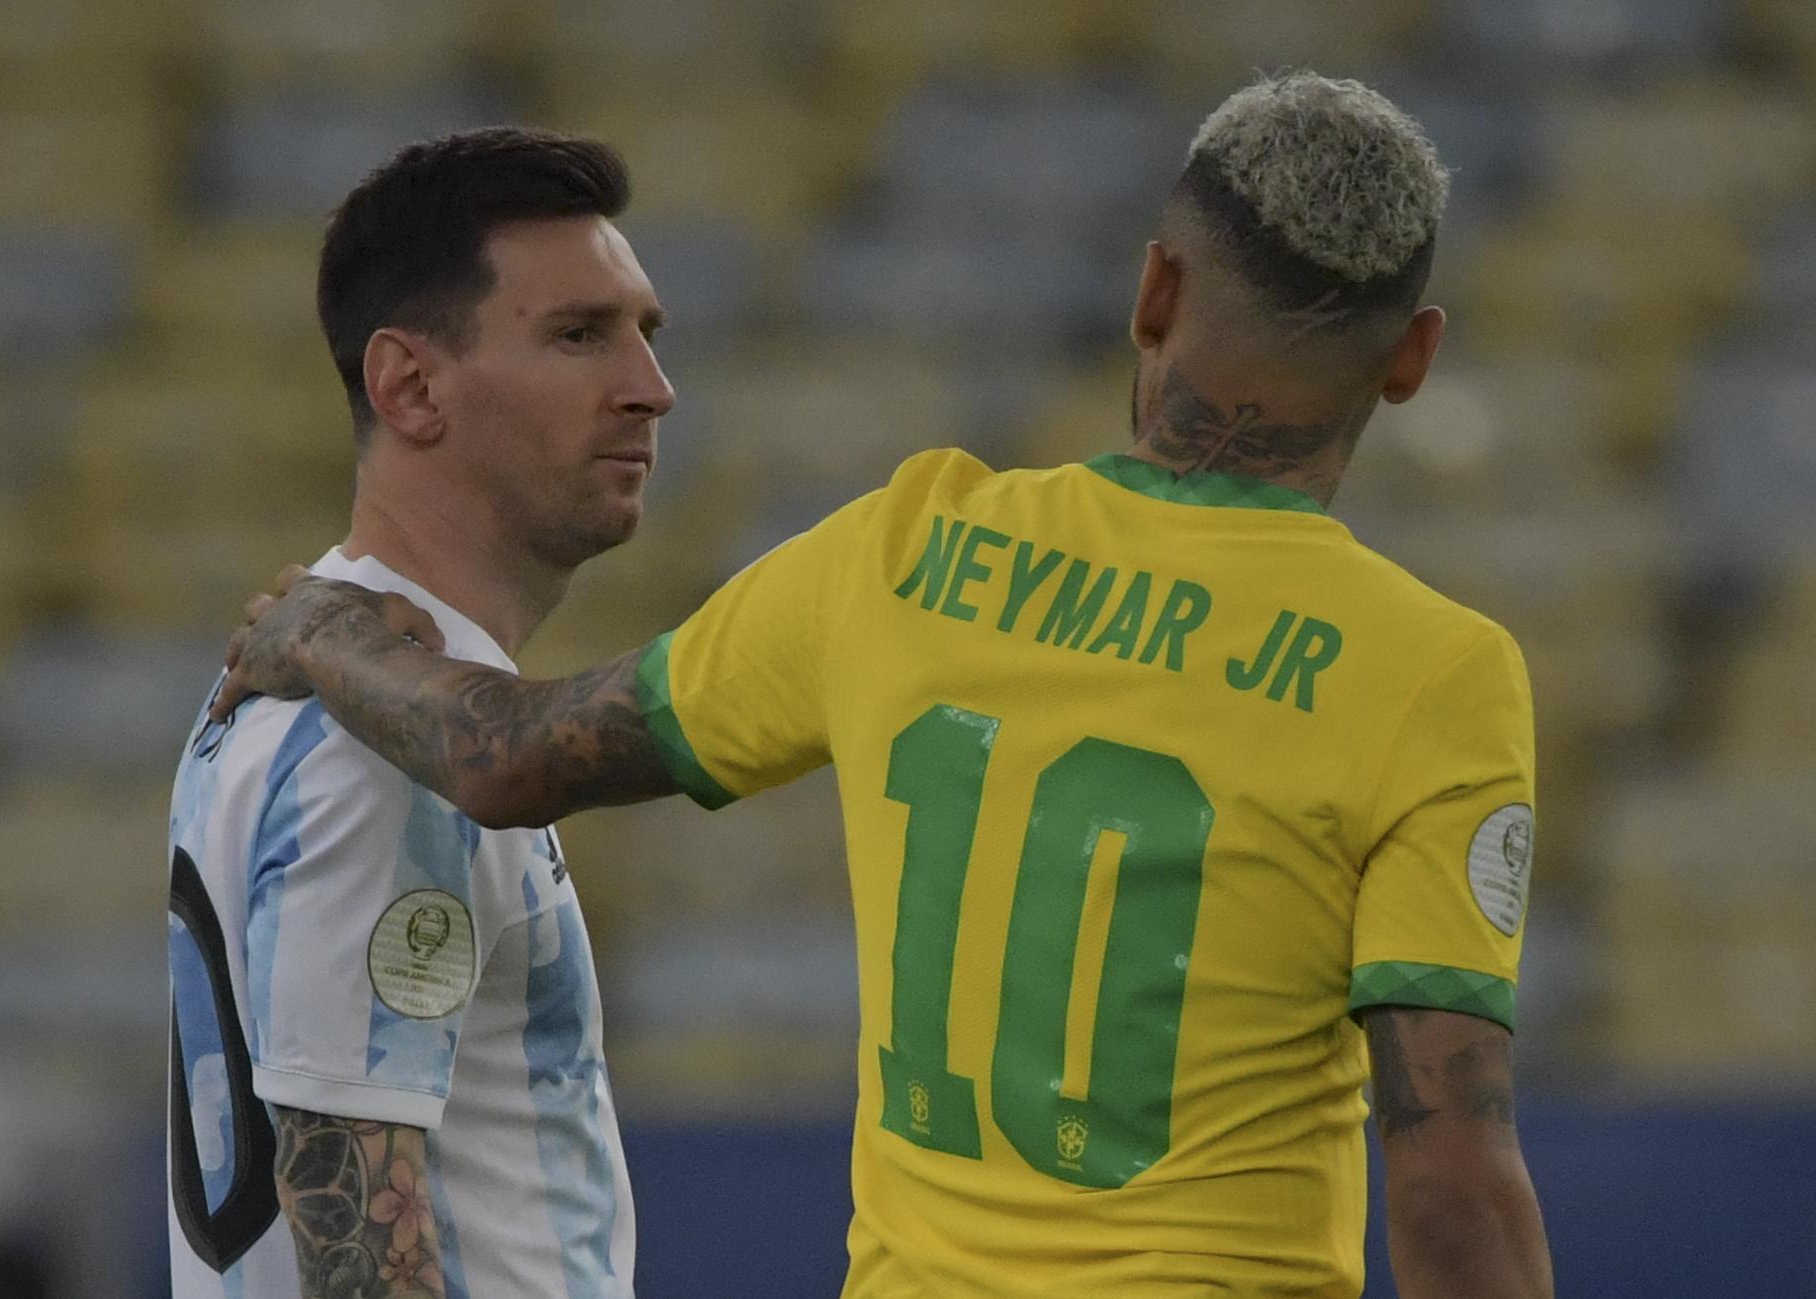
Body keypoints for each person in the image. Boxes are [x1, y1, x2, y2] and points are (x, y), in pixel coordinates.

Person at [212, 73, 1554, 1299]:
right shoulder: (1432, 676)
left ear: (1154, 291)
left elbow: (508, 755)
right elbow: (1449, 1190)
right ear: (1413, 356)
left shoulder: (911, 550)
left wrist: (331, 637)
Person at [166, 126, 671, 1299]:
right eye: (580, 335)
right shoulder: (385, 740)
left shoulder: (328, 665)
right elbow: (357, 1254)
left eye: (646, 333)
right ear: (409, 386)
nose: (650, 388)